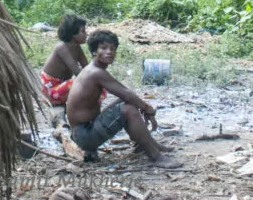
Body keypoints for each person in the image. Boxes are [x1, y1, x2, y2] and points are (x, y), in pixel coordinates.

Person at [66, 30, 180, 167]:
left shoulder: (95, 69)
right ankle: (155, 157)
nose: (109, 52)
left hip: (84, 130)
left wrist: (143, 106)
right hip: (85, 135)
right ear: (94, 51)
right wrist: (147, 109)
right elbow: (126, 94)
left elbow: (125, 93)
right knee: (129, 109)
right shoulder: (96, 72)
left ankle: (146, 143)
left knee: (126, 103)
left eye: (112, 49)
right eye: (103, 48)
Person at [40, 14, 89, 106]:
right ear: (73, 35)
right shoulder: (61, 47)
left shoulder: (77, 47)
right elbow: (78, 72)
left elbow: (88, 67)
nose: (86, 34)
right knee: (85, 81)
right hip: (51, 92)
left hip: (62, 87)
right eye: (83, 31)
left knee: (92, 80)